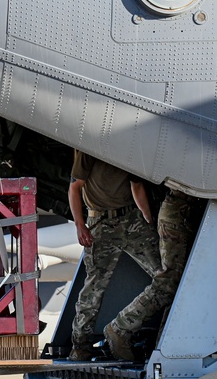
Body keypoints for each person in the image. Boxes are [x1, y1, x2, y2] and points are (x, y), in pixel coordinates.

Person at [67, 151, 160, 361]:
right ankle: (80, 346)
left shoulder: (130, 146)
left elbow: (136, 186)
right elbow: (75, 187)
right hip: (101, 223)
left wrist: (147, 219)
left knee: (165, 277)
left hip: (130, 219)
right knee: (94, 287)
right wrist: (80, 225)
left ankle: (121, 328)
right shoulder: (89, 148)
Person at [104, 190, 205, 360]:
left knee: (180, 287)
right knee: (169, 283)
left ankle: (164, 345)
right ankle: (121, 327)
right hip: (179, 213)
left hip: (183, 212)